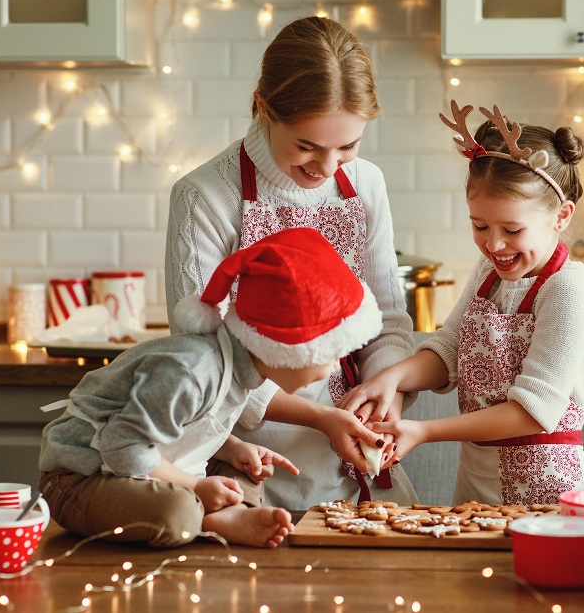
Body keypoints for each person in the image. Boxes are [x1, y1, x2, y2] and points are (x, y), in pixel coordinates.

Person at [165, 16, 417, 508]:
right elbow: (204, 360)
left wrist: (387, 392)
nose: (327, 168)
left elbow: (387, 319)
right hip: (250, 461)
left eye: (348, 147)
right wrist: (319, 417)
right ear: (263, 106)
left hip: (358, 456)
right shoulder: (205, 196)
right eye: (307, 146)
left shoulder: (365, 184)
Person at [39, 228, 385, 548]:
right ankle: (209, 518)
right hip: (83, 476)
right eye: (331, 353)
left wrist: (231, 448)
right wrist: (195, 487)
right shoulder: (192, 371)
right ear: (287, 350)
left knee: (244, 477)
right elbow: (122, 448)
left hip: (145, 467)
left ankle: (223, 514)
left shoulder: (244, 369)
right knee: (177, 513)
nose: (336, 365)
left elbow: (186, 426)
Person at [339, 100, 584, 506]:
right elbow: (449, 350)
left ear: (562, 216)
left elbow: (532, 412)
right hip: (477, 486)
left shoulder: (568, 292)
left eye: (512, 230)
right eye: (480, 226)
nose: (494, 245)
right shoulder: (489, 273)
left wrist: (424, 430)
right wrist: (389, 379)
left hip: (548, 493)